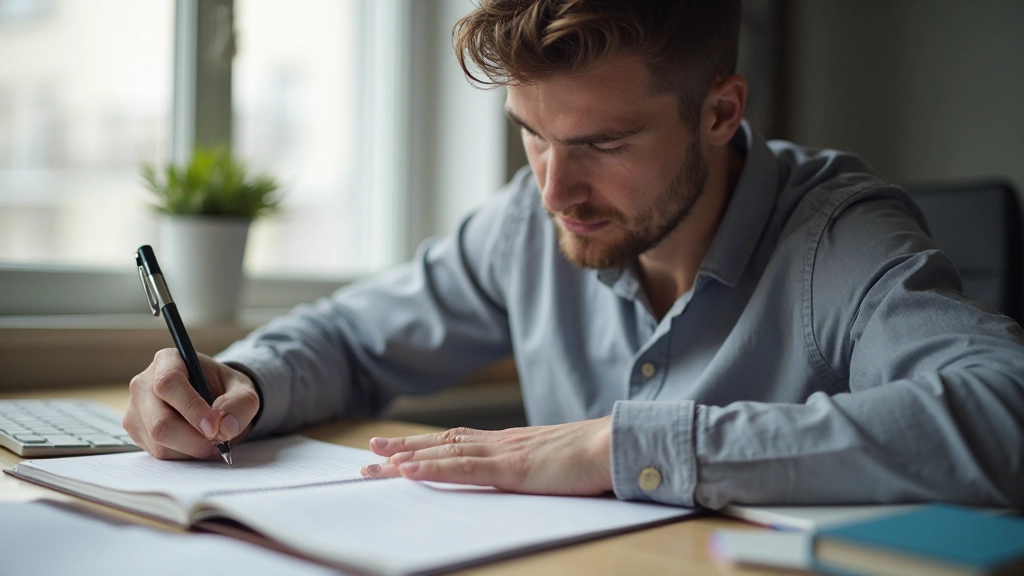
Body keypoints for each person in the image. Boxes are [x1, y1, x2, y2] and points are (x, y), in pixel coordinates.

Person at [124, 0, 1024, 509]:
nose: (554, 190)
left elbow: (1005, 413)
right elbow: (355, 338)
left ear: (720, 113)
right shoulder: (529, 221)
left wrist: (621, 448)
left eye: (601, 144)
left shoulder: (839, 236)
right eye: (530, 135)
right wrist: (242, 381)